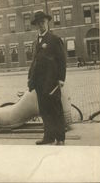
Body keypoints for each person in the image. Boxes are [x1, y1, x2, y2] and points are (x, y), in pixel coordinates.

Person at [28, 11, 66, 145]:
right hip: (39, 83)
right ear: (36, 25)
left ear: (47, 22)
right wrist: (30, 78)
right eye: (38, 23)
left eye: (43, 22)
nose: (41, 25)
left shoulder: (54, 39)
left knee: (55, 109)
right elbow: (34, 62)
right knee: (44, 111)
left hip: (51, 82)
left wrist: (61, 79)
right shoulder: (35, 42)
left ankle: (60, 138)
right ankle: (48, 137)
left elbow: (62, 60)